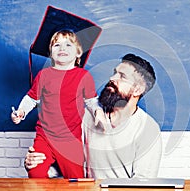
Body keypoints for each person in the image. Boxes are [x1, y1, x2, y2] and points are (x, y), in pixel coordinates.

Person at [25, 53, 162, 179]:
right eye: (115, 72)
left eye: (122, 76)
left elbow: (143, 184)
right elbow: (69, 165)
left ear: (138, 89)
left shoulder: (148, 130)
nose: (112, 78)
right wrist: (39, 165)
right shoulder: (86, 116)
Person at [11, 30, 101, 179]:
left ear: (78, 53)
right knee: (35, 172)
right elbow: (32, 99)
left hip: (70, 140)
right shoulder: (44, 75)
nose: (62, 48)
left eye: (68, 45)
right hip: (44, 137)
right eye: (57, 45)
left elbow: (91, 101)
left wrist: (98, 112)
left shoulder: (83, 76)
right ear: (51, 53)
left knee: (76, 179)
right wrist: (21, 112)